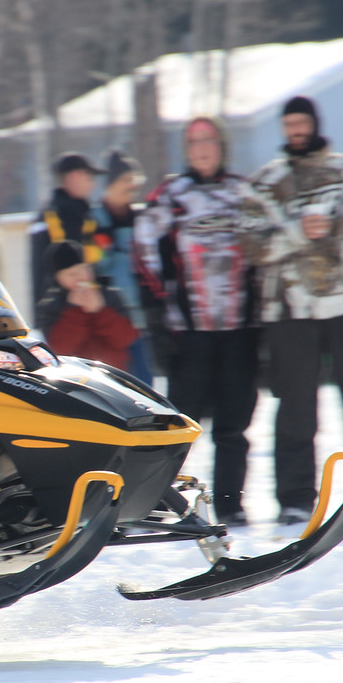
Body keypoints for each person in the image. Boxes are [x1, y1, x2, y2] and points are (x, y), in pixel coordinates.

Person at [248, 96, 343, 524]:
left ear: (315, 124)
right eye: (289, 124)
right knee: (296, 410)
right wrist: (295, 234)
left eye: (303, 123)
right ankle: (295, 498)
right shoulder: (266, 184)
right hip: (290, 312)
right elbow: (251, 245)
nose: (296, 130)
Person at [134, 116, 263, 525]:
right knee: (178, 428)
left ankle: (231, 504)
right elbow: (142, 248)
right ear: (186, 151)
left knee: (233, 428)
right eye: (193, 142)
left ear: (222, 146)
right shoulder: (172, 196)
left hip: (240, 332)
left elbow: (269, 247)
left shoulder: (244, 193)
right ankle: (155, 502)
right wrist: (158, 315)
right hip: (189, 335)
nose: (202, 148)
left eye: (208, 140)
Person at [91, 148, 155, 383]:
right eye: (127, 180)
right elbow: (96, 266)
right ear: (112, 183)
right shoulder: (95, 219)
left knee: (145, 385)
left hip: (139, 320)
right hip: (110, 321)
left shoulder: (140, 218)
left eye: (134, 181)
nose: (132, 186)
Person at [36, 239, 140, 371]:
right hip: (76, 376)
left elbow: (126, 339)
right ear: (57, 279)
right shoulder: (51, 306)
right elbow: (60, 350)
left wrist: (101, 311)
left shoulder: (110, 296)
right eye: (72, 274)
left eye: (85, 269)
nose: (81, 277)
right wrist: (76, 311)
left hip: (115, 374)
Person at [29, 152, 105, 305]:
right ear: (74, 176)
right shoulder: (63, 215)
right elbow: (71, 269)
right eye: (89, 178)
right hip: (68, 306)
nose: (93, 185)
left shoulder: (71, 211)